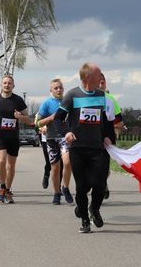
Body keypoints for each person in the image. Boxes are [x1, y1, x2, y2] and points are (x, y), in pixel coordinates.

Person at [54, 62, 115, 233]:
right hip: (78, 148)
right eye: (99, 74)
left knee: (100, 183)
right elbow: (58, 119)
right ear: (88, 77)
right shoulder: (72, 95)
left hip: (98, 148)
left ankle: (94, 209)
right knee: (81, 186)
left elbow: (106, 121)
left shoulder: (102, 96)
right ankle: (85, 220)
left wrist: (108, 137)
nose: (102, 77)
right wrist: (66, 133)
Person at [0, 75, 31, 204]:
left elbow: (29, 119)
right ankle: (2, 186)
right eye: (5, 83)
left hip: (13, 137)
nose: (7, 85)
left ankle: (8, 190)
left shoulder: (18, 100)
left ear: (13, 86)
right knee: (1, 161)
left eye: (9, 83)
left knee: (11, 166)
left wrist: (20, 117)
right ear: (1, 85)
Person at [36, 78, 73, 205]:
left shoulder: (68, 102)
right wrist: (51, 118)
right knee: (55, 168)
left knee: (67, 163)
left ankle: (65, 187)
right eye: (56, 88)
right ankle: (56, 193)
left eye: (60, 87)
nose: (58, 90)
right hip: (51, 138)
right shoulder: (47, 103)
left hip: (65, 137)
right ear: (51, 90)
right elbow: (38, 122)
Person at [98, 73, 124, 199]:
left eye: (103, 82)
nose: (101, 84)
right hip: (92, 139)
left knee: (104, 168)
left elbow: (119, 120)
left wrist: (113, 127)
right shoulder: (87, 98)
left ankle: (103, 183)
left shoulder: (111, 99)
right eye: (99, 82)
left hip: (107, 139)